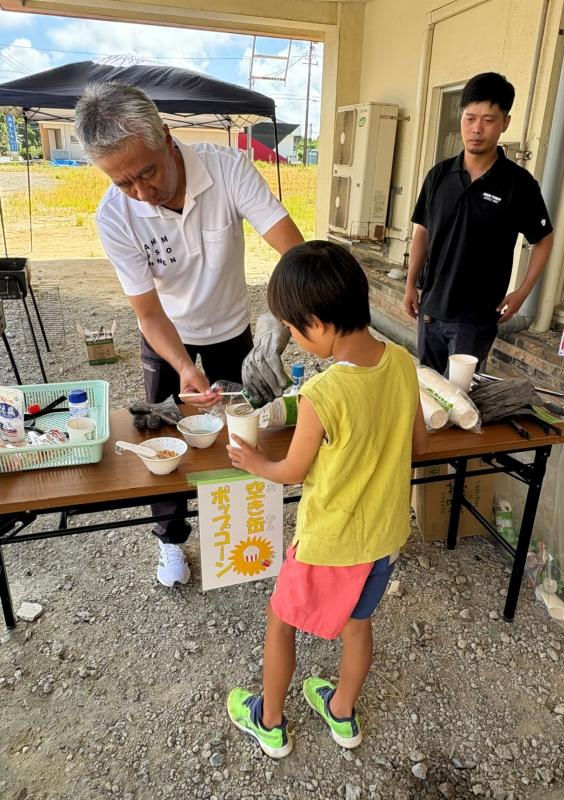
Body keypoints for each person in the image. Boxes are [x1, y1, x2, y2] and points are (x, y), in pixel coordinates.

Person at [74, 83, 303, 588]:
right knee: (162, 439)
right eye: (122, 182)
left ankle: (241, 532)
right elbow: (149, 313)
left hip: (232, 330)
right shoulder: (115, 215)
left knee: (243, 428)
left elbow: (295, 254)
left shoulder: (227, 168)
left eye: (147, 172)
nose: (142, 192)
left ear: (166, 137)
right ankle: (171, 539)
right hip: (167, 339)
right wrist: (182, 366)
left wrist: (278, 319)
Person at [224, 241, 428, 758]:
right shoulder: (404, 363)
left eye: (292, 329)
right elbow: (419, 445)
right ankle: (341, 712)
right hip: (384, 538)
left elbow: (291, 472)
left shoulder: (321, 393)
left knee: (281, 620)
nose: (292, 338)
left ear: (316, 324)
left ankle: (270, 721)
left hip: (330, 542)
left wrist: (253, 462)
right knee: (358, 626)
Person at [403, 72, 554, 376]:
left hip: (475, 320)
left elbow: (543, 239)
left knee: (461, 396)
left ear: (505, 123)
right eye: (470, 118)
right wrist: (410, 284)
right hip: (430, 310)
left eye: (488, 120)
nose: (476, 129)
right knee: (428, 390)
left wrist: (522, 293)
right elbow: (423, 231)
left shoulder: (518, 184)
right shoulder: (438, 175)